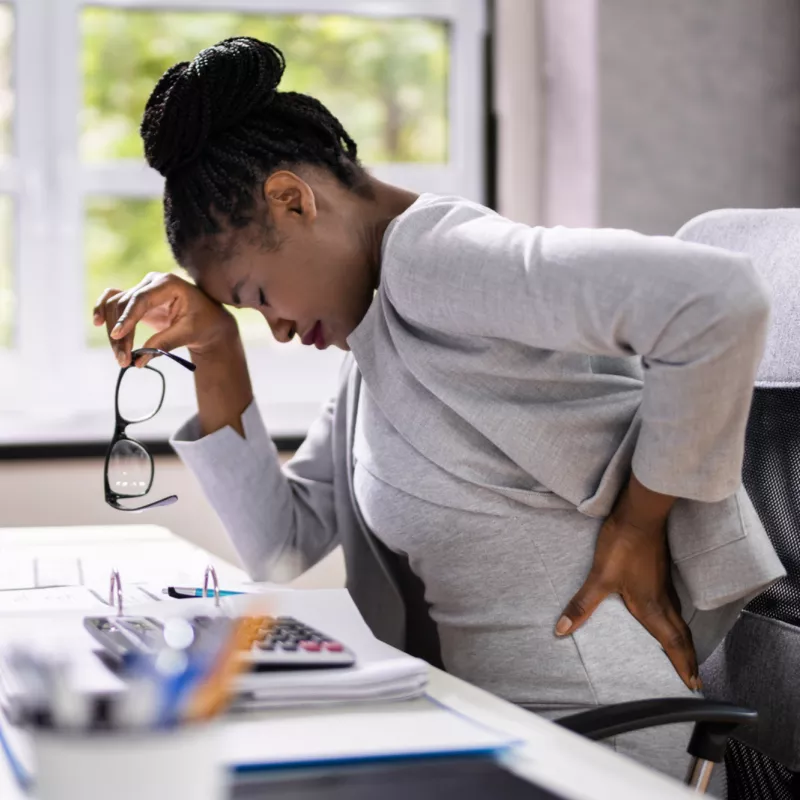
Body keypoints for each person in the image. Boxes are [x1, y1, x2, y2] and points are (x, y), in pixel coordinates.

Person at [93, 37, 784, 781]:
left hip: (584, 736)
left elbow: (717, 300)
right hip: (483, 720)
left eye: (259, 297)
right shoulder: (378, 337)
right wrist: (217, 347)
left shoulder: (438, 260)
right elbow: (280, 543)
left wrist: (639, 525)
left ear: (293, 200)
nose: (281, 330)